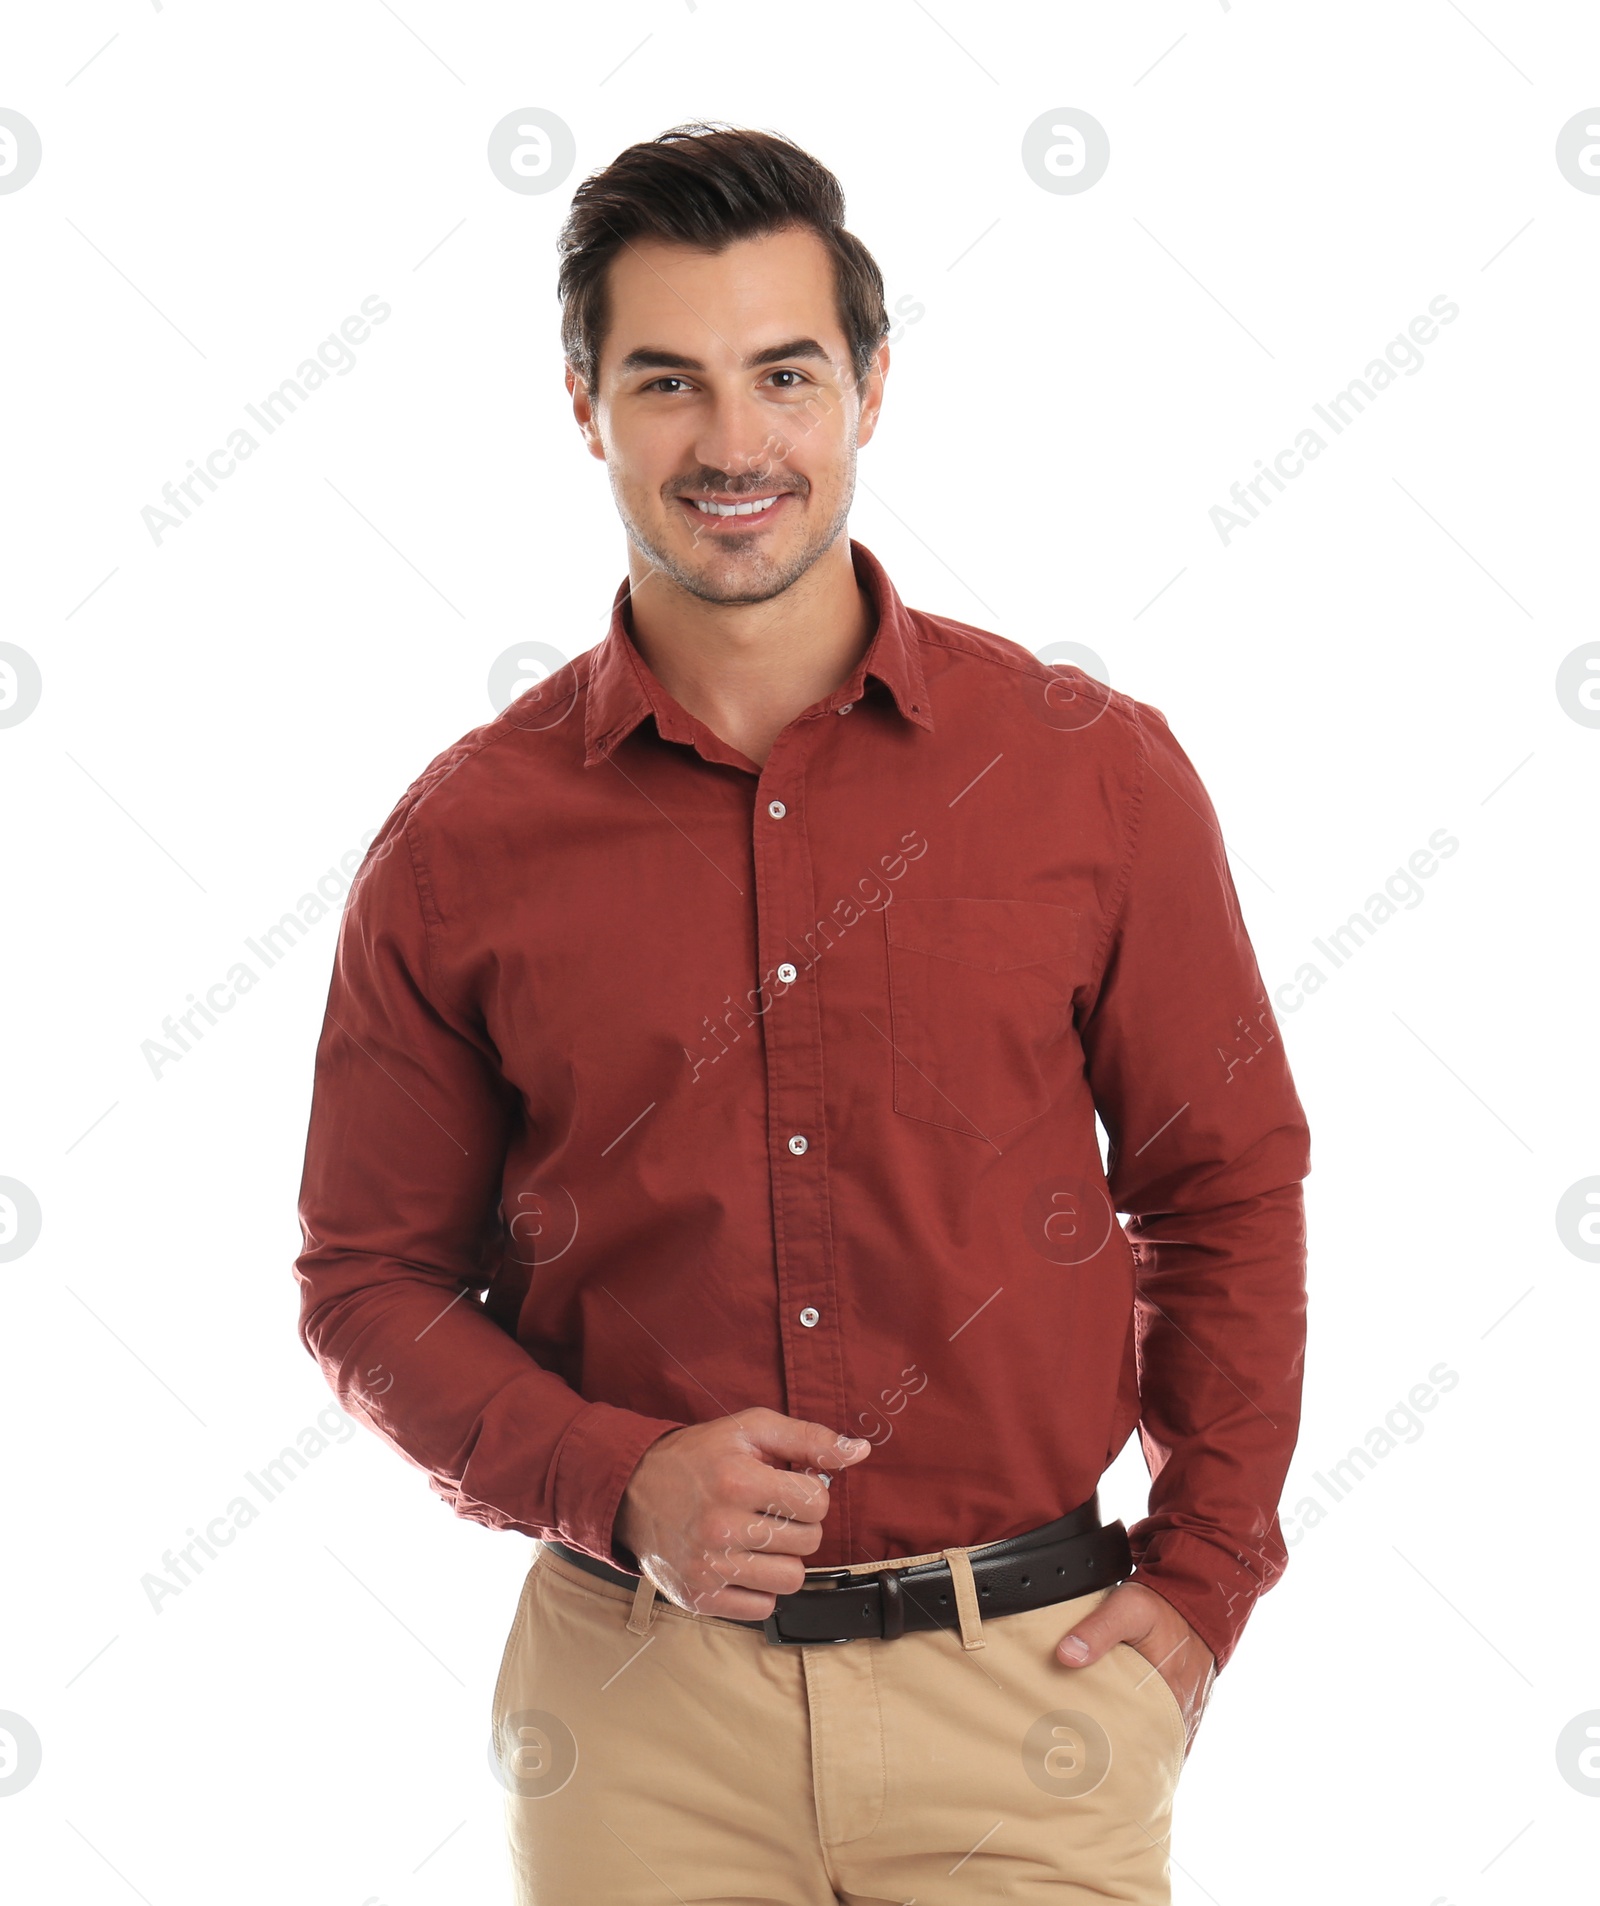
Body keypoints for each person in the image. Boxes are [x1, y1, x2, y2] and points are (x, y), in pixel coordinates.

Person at [293, 121, 1311, 1904]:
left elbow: (1220, 1187)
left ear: (871, 386)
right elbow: (364, 1280)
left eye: (786, 373)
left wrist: (1208, 1571)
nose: (735, 442)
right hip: (638, 1722)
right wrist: (615, 1479)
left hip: (1036, 1699)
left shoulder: (1091, 776)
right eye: (668, 380)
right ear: (584, 405)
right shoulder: (463, 840)